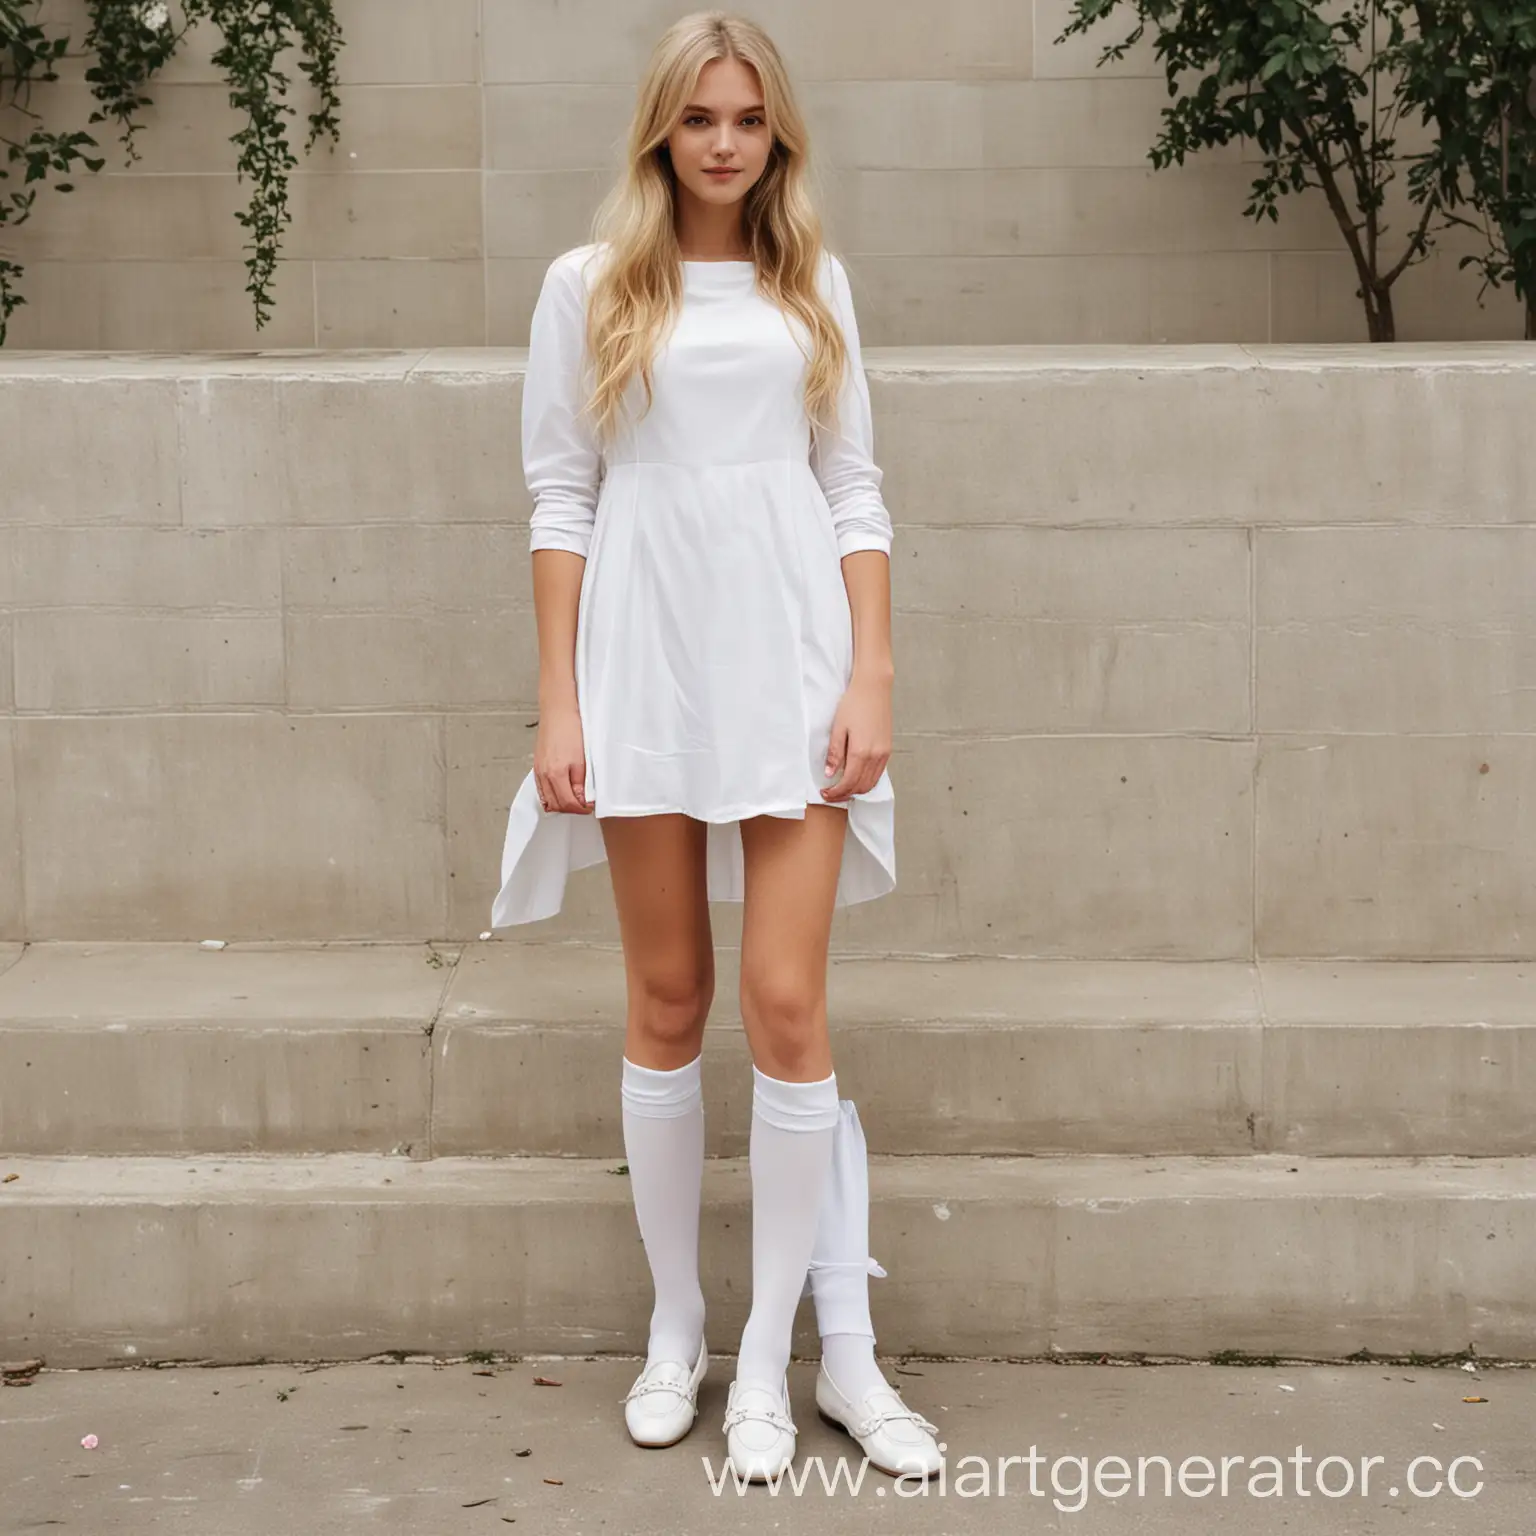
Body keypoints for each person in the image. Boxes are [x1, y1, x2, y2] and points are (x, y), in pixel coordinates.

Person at [489, 9, 942, 1485]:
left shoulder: (815, 285)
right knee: (670, 997)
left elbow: (855, 491)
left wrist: (872, 676)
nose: (727, 142)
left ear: (778, 133)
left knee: (788, 1005)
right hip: (643, 668)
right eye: (701, 120)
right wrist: (559, 704)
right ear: (661, 133)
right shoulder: (589, 286)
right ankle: (676, 1327)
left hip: (793, 668)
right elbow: (562, 498)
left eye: (749, 119)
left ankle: (768, 1361)